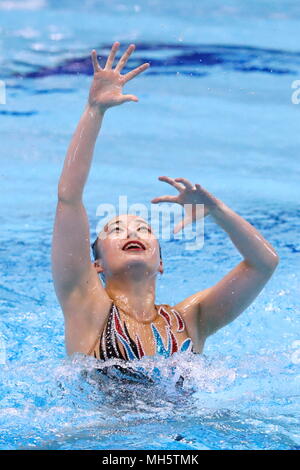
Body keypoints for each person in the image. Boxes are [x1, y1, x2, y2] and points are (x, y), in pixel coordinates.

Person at [51, 42, 279, 374]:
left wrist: (217, 211)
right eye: (115, 230)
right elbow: (68, 198)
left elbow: (264, 264)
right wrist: (94, 111)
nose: (131, 232)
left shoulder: (192, 319)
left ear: (160, 263)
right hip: (107, 428)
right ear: (96, 265)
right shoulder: (85, 305)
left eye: (143, 229)